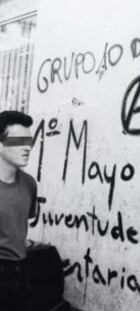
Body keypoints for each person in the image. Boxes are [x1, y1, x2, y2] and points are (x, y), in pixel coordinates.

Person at [0, 111, 36, 311]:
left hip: (21, 270)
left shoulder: (29, 184)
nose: (27, 147)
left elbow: (21, 224)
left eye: (29, 141)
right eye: (18, 141)